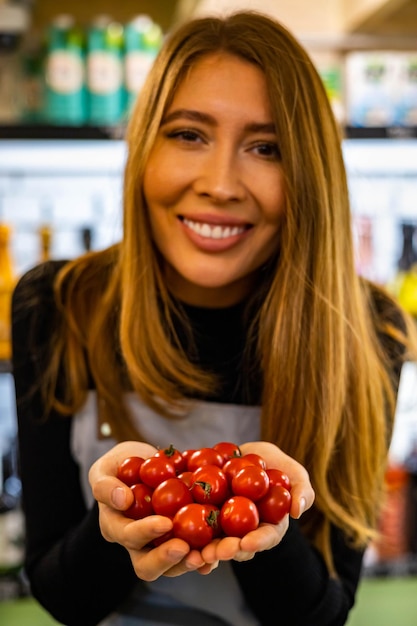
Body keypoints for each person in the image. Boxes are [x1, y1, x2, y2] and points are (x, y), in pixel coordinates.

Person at [11, 10, 417, 626]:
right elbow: (58, 594)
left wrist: (267, 530)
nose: (221, 184)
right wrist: (116, 531)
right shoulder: (58, 303)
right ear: (144, 149)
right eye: (188, 135)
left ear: (308, 173)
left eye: (266, 148)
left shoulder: (365, 329)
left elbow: (325, 614)